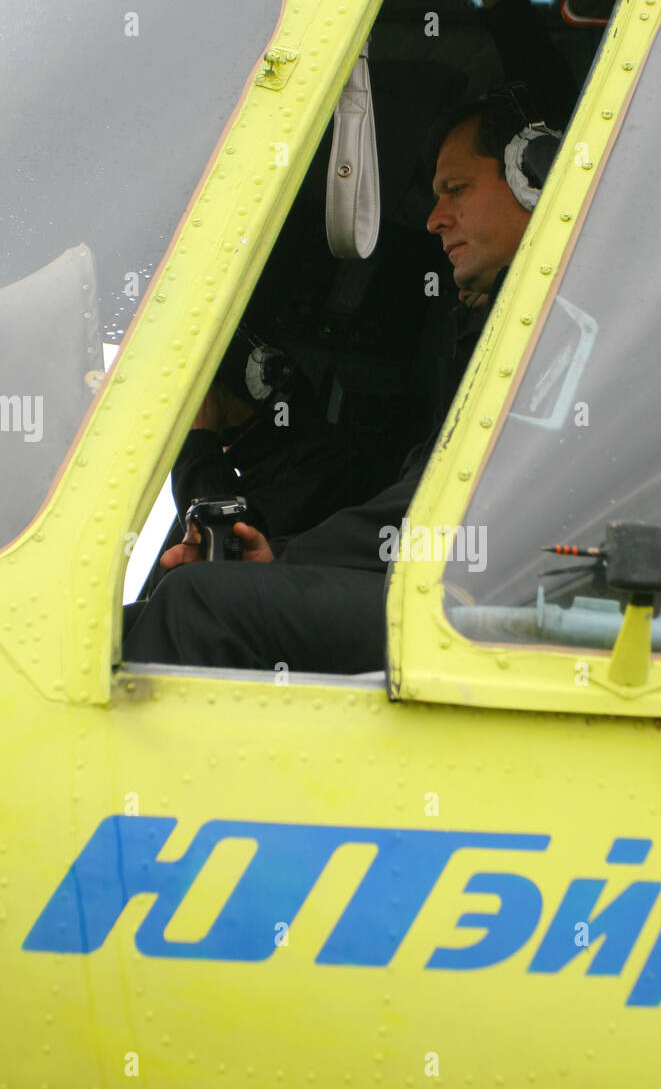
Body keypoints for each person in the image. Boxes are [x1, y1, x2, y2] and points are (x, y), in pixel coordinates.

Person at [122, 94, 550, 673]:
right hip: (467, 596)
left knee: (195, 604)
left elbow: (446, 502)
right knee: (125, 625)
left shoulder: (563, 327)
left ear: (535, 174)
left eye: (457, 189)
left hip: (501, 610)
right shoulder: (506, 327)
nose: (434, 218)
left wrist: (285, 559)